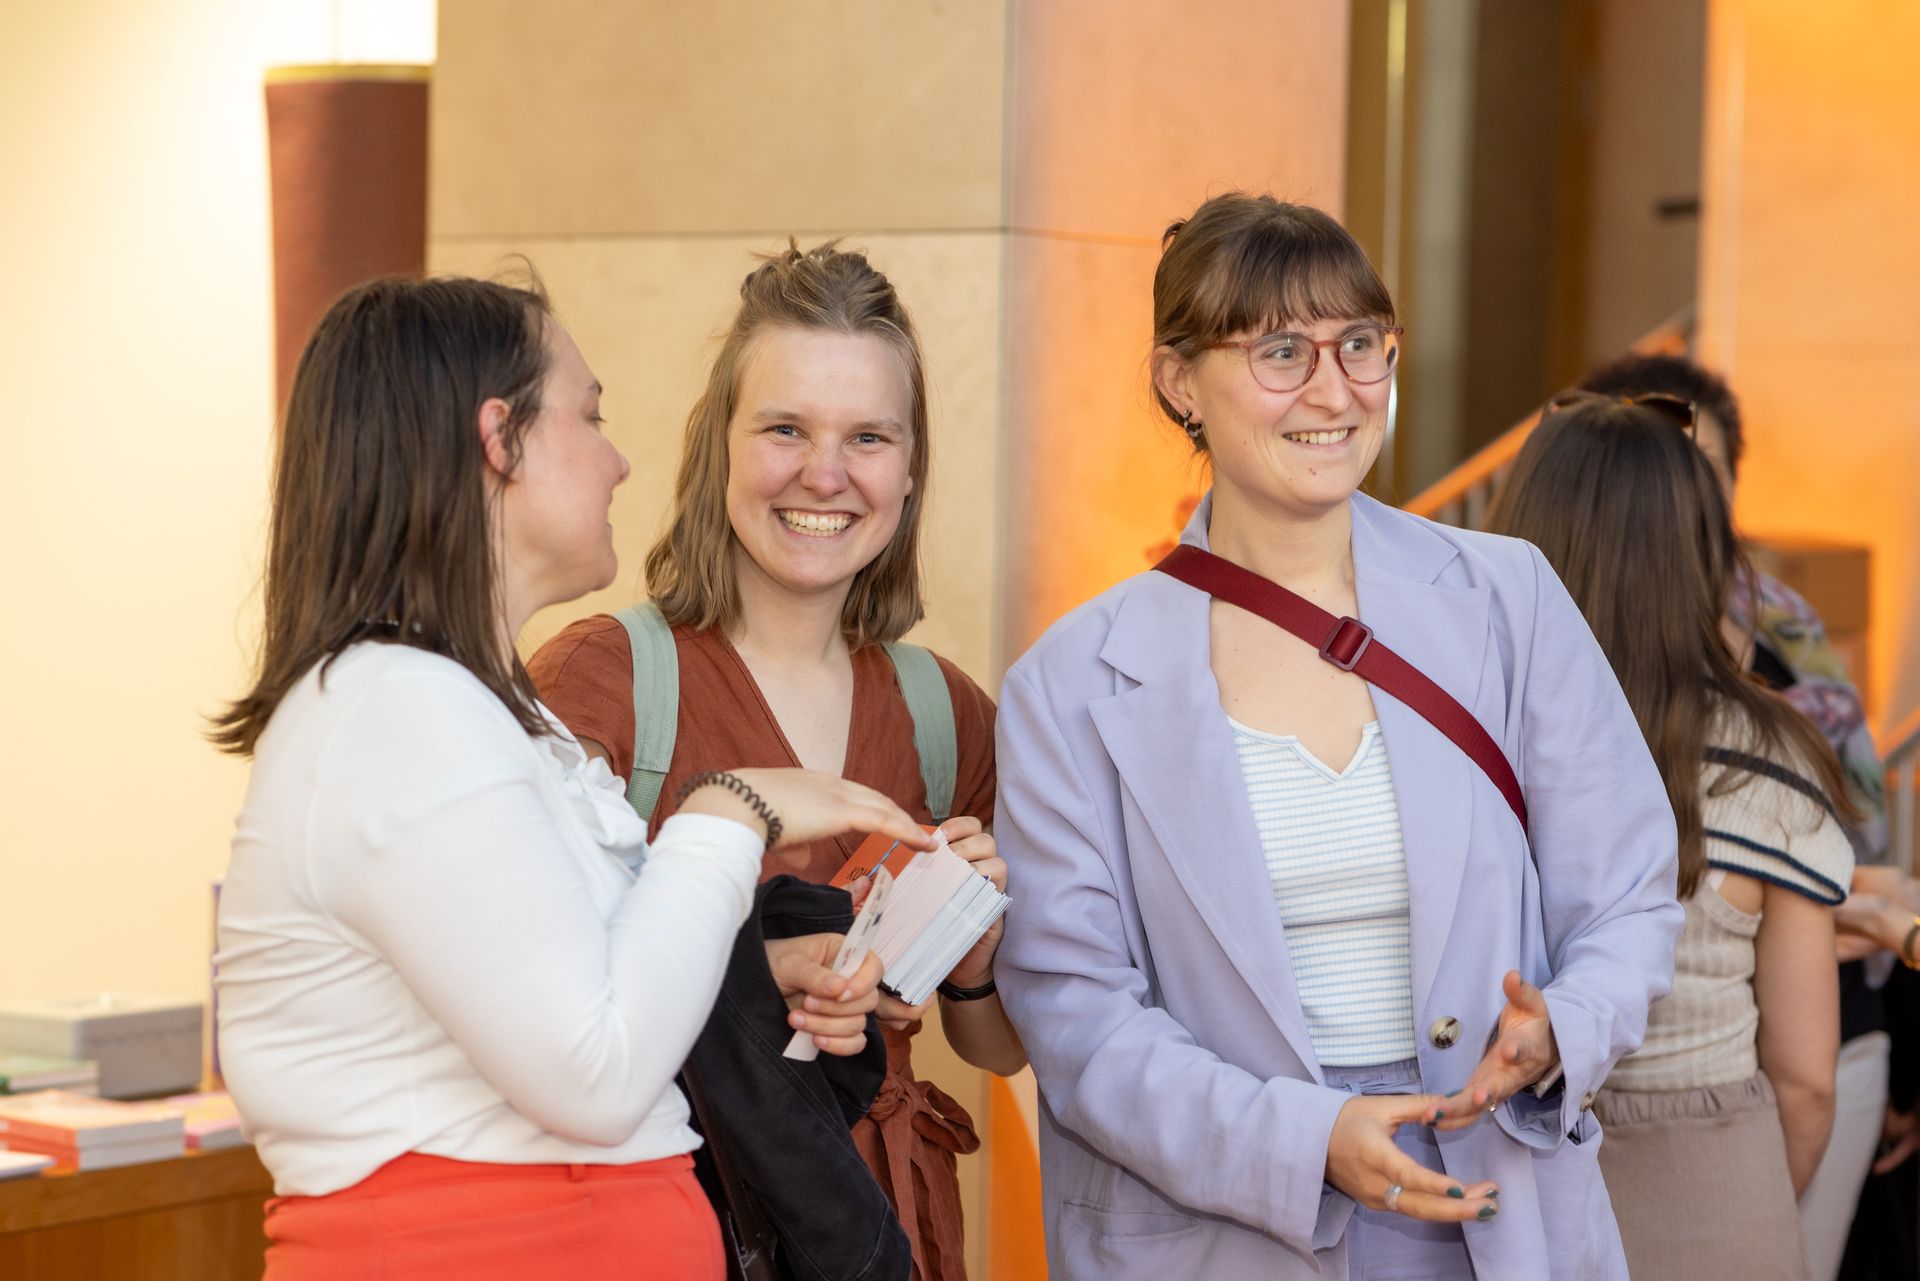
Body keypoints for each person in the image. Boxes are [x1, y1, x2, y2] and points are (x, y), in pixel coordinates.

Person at [992, 193, 1683, 1279]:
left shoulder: (1507, 598)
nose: (1333, 390)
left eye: (1359, 344)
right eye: (1280, 352)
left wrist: (1567, 1020)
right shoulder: (1070, 682)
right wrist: (1306, 1138)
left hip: (1497, 1200)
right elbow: (1077, 1016)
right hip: (1225, 1229)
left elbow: (1629, 891)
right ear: (1179, 383)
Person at [211, 274, 935, 1281]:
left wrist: (761, 972)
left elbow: (573, 990)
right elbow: (593, 1074)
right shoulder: (398, 707)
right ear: (499, 439)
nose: (619, 459)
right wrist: (727, 812)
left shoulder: (476, 709)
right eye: (589, 417)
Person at [529, 242, 1025, 1281]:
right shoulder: (603, 685)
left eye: (868, 437)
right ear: (718, 445)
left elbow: (998, 1048)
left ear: (910, 471)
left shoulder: (945, 714)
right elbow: (536, 1007)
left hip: (889, 1224)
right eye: (786, 429)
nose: (825, 474)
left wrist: (975, 966)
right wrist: (758, 975)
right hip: (678, 1223)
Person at [1486, 390, 1857, 1281]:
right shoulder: (1769, 756)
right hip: (1716, 1190)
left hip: (1504, 1188)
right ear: (1701, 551)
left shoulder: (1465, 736)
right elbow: (1807, 1081)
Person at [1577, 353, 1917, 1281]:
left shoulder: (1788, 651)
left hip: (1809, 1027)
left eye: (1698, 466)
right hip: (1718, 1131)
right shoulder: (1755, 740)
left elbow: (1855, 849)